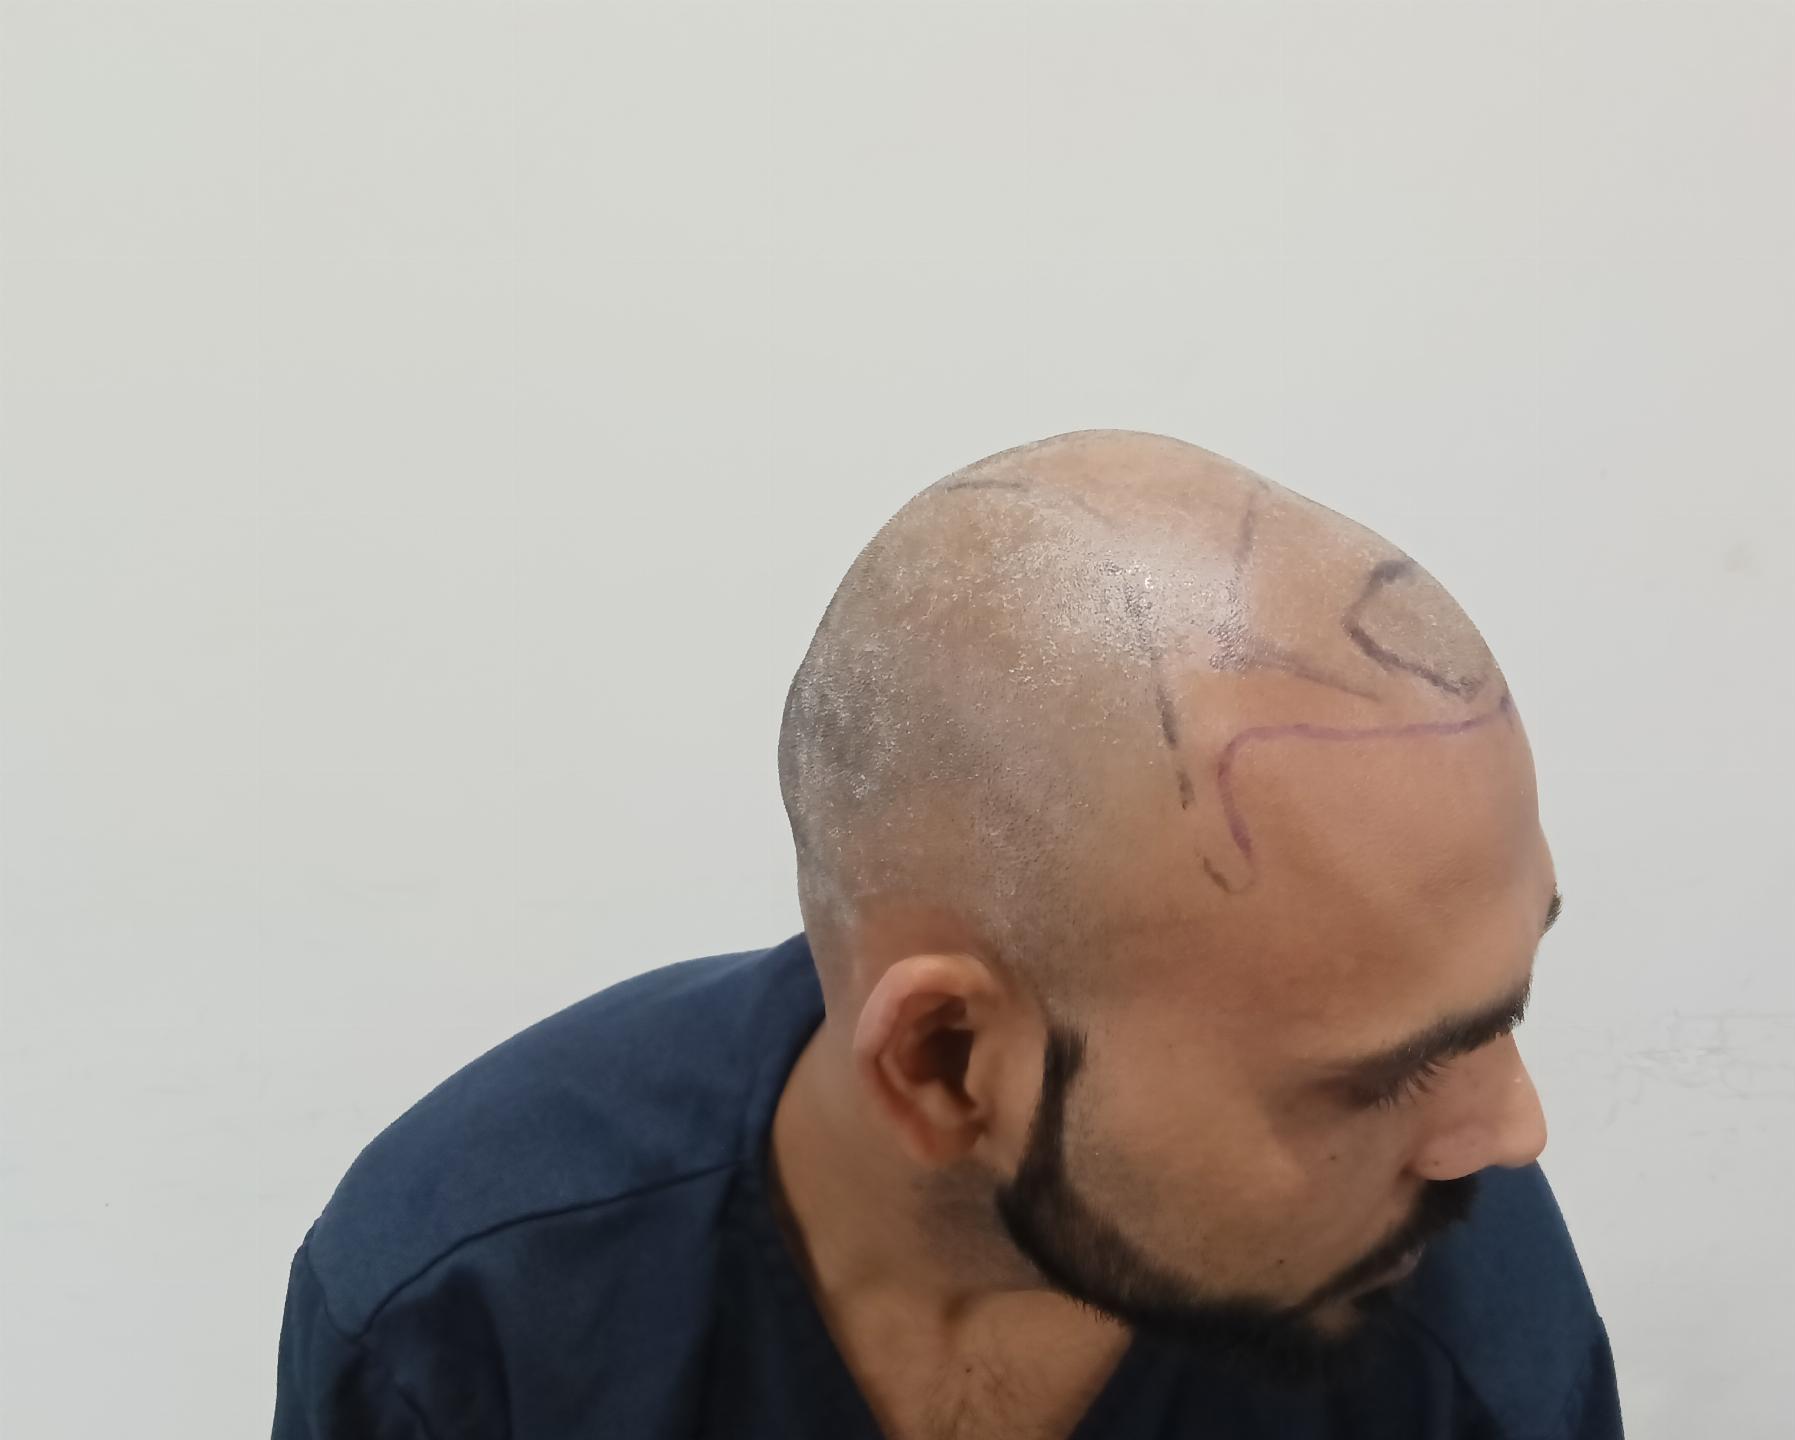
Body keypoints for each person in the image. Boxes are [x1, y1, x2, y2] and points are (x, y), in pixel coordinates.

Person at [272, 430, 1622, 1439]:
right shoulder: (470, 1315)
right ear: (944, 1061)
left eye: (1501, 1007)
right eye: (1380, 1075)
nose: (1513, 1131)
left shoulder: (1457, 1319)